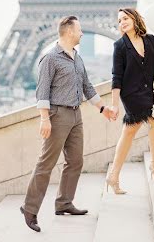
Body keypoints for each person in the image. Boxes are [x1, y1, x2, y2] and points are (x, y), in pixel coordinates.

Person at [20, 15, 115, 232]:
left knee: (76, 161)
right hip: (57, 115)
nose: (82, 33)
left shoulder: (77, 57)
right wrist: (45, 118)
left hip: (75, 115)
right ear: (69, 31)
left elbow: (87, 86)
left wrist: (103, 107)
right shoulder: (50, 58)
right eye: (79, 30)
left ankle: (64, 202)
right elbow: (42, 91)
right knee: (46, 164)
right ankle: (29, 208)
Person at [107, 7, 154, 194]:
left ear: (134, 18)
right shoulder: (120, 46)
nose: (122, 22)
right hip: (131, 94)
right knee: (135, 129)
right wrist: (115, 105)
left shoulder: (150, 40)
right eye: (119, 20)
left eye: (125, 18)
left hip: (149, 91)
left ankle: (119, 174)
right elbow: (117, 77)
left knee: (151, 125)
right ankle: (119, 174)